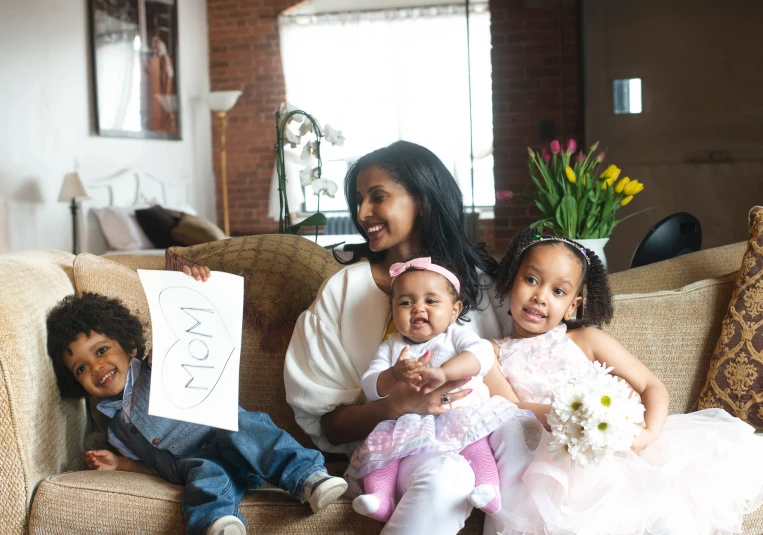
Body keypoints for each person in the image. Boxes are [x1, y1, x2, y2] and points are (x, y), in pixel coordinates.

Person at [284, 140, 539, 535]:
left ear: (422, 198)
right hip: (395, 455)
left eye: (377, 197)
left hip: (479, 443)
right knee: (445, 476)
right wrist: (395, 406)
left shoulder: (485, 286)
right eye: (358, 200)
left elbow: (530, 363)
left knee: (488, 457)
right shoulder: (344, 291)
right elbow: (328, 425)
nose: (361, 212)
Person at [483, 228, 763, 534]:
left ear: (573, 305)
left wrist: (648, 434)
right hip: (558, 466)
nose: (540, 296)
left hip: (625, 449)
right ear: (512, 281)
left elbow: (650, 385)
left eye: (558, 291)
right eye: (531, 280)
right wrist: (575, 418)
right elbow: (510, 408)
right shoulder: (488, 353)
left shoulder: (586, 338)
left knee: (665, 519)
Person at [46, 288, 347, 535]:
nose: (96, 368)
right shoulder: (114, 428)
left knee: (243, 425)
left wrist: (194, 285)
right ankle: (217, 524)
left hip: (227, 433)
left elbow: (193, 331)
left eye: (101, 351)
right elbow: (149, 464)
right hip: (195, 463)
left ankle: (307, 476)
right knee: (206, 479)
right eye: (81, 368)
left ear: (128, 346)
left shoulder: (159, 363)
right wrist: (120, 464)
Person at [350, 257, 528, 522]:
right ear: (393, 310)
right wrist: (394, 374)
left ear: (455, 310)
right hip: (409, 423)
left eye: (431, 301)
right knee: (383, 448)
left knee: (475, 443)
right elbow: (371, 386)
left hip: (458, 412)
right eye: (406, 302)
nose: (417, 308)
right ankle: (379, 499)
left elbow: (481, 355)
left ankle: (488, 489)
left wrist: (445, 372)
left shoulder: (454, 335)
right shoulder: (392, 346)